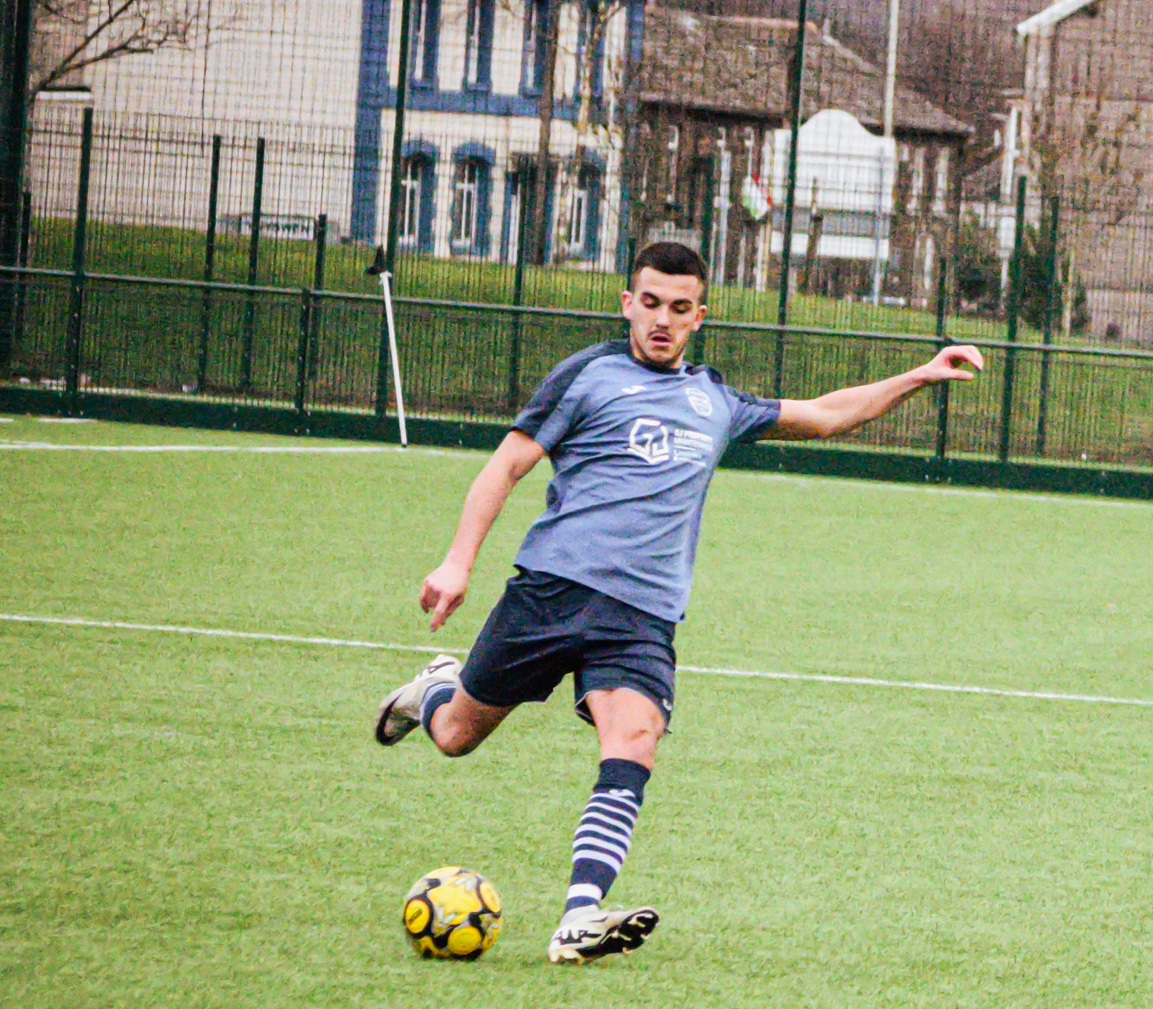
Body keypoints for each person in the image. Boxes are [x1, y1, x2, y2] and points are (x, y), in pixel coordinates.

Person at [371, 241, 982, 963]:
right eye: (651, 302)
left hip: (641, 617)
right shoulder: (588, 377)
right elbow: (507, 465)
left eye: (680, 308)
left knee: (634, 740)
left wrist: (921, 373)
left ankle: (580, 916)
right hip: (550, 592)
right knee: (456, 737)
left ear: (700, 316)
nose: (663, 319)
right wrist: (456, 561)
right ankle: (436, 688)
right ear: (628, 303)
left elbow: (823, 415)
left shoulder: (714, 401)